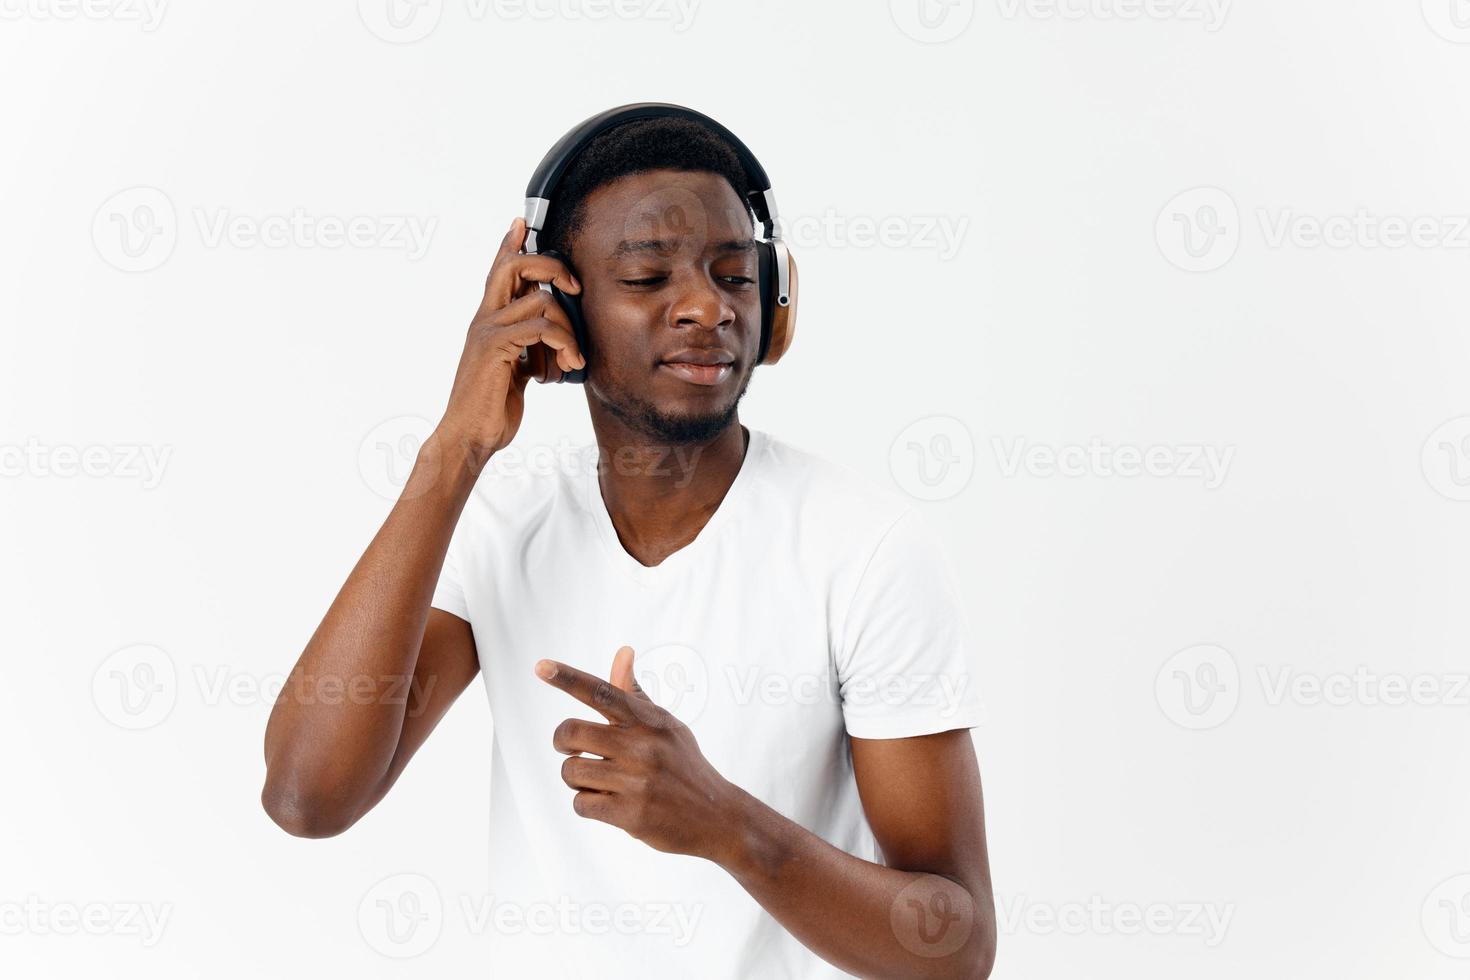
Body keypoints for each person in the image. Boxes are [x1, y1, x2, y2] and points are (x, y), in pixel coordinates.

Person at [261, 109, 996, 979]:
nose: (707, 307)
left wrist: (726, 823)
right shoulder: (498, 526)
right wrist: (457, 444)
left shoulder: (865, 548)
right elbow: (308, 796)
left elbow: (956, 944)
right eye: (649, 277)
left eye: (734, 275)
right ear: (557, 308)